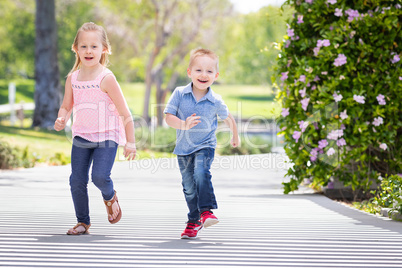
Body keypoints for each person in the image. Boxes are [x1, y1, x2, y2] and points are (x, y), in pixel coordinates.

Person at [54, 22, 136, 235]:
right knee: (77, 180)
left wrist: (131, 142)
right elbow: (66, 105)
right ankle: (83, 222)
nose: (88, 51)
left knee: (99, 177)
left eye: (94, 46)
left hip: (108, 135)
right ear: (76, 49)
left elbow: (125, 112)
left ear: (104, 49)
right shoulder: (73, 78)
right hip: (82, 135)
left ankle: (110, 196)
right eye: (83, 46)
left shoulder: (106, 78)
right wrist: (62, 118)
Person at [164, 48, 239, 239]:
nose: (203, 75)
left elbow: (228, 117)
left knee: (201, 172)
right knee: (189, 187)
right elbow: (168, 117)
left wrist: (235, 135)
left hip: (205, 146)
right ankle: (194, 220)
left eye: (209, 71)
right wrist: (183, 124)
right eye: (198, 70)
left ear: (216, 75)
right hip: (183, 149)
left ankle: (206, 211)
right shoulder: (180, 93)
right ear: (189, 72)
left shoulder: (215, 100)